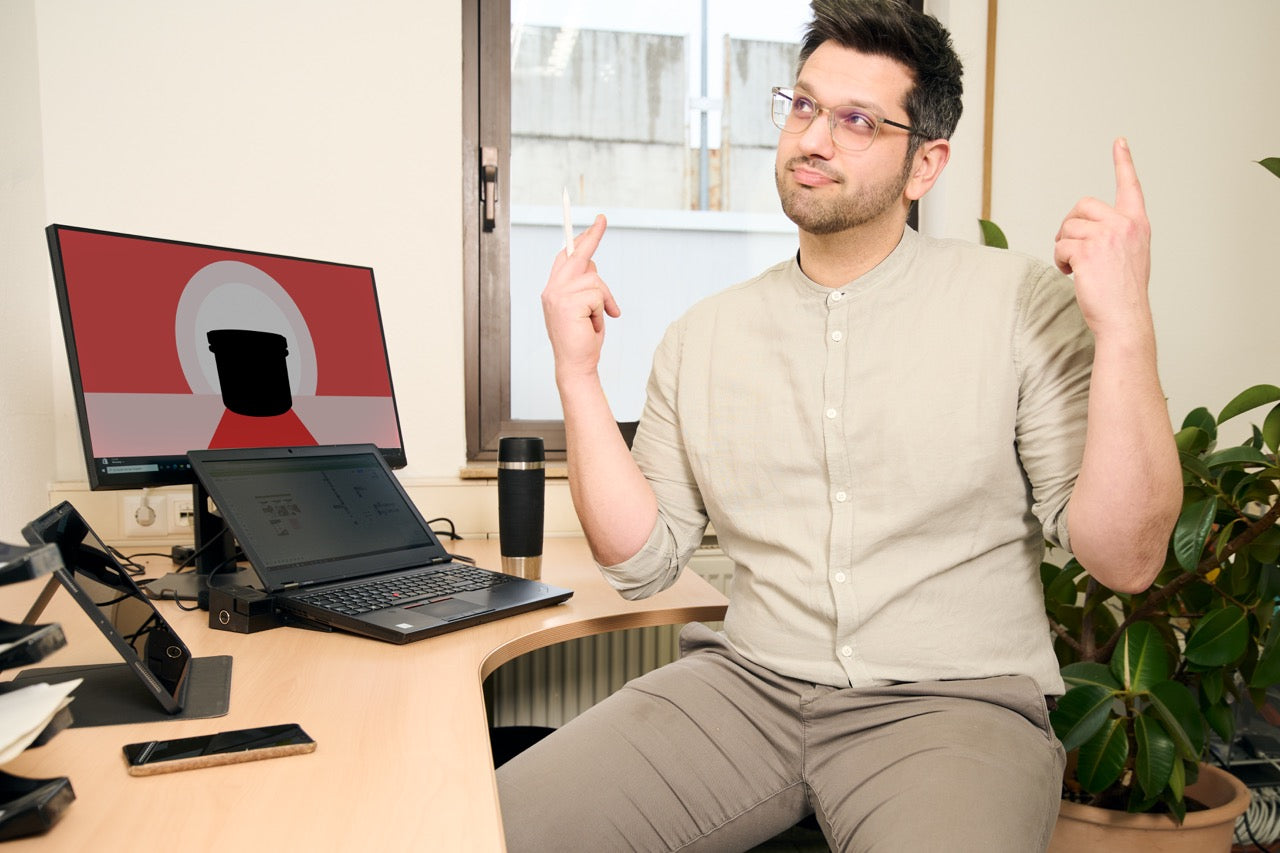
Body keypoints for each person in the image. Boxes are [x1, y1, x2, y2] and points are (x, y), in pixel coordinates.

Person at [498, 1, 1182, 850]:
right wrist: (577, 374)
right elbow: (641, 563)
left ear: (924, 164)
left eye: (857, 120)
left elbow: (1127, 556)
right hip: (743, 691)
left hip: (953, 706)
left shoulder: (1021, 304)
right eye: (805, 105)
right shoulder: (701, 336)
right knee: (478, 825)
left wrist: (1126, 327)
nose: (813, 138)